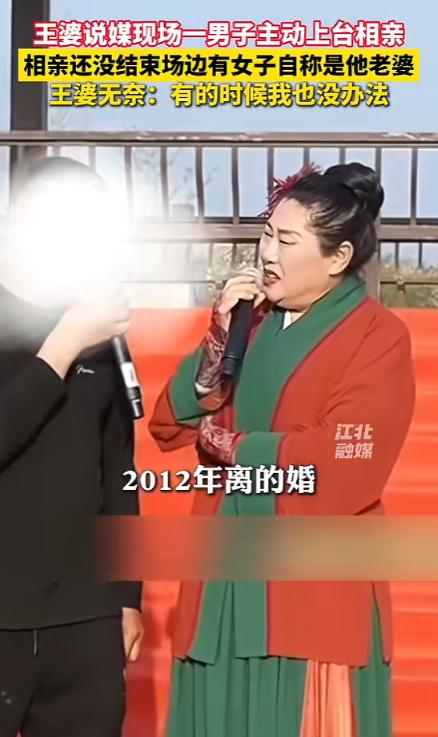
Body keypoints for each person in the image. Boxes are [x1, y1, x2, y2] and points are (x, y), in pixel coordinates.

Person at [149, 162, 416, 737]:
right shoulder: (250, 322)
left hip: (311, 582)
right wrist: (218, 339)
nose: (267, 252)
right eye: (267, 233)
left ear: (338, 258)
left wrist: (237, 448)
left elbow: (348, 462)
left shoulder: (378, 336)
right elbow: (169, 424)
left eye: (287, 241)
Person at [0, 156, 143, 737]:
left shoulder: (97, 329)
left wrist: (127, 595)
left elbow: (118, 469)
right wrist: (63, 346)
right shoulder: (78, 329)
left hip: (85, 619)